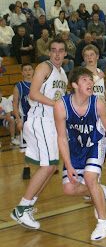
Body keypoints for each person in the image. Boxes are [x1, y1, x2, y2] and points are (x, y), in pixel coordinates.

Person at [54, 67, 106, 241]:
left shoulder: (98, 103)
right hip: (75, 147)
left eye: (90, 80)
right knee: (69, 188)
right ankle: (100, 191)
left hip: (96, 143)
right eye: (84, 80)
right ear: (74, 85)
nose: (90, 83)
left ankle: (104, 222)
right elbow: (61, 138)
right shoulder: (61, 106)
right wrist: (68, 165)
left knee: (91, 179)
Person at [10, 38, 68, 230]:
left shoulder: (63, 74)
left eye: (61, 51)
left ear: (65, 53)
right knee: (47, 167)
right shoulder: (45, 67)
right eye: (54, 50)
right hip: (40, 121)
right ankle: (21, 208)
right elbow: (33, 93)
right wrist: (57, 105)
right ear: (49, 52)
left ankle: (27, 206)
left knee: (51, 168)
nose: (57, 54)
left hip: (51, 123)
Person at [13, 63, 34, 179]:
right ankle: (26, 168)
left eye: (30, 69)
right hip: (26, 119)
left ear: (33, 71)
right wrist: (18, 120)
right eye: (25, 70)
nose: (28, 72)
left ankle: (45, 166)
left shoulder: (40, 84)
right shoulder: (19, 86)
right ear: (22, 72)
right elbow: (15, 105)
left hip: (39, 118)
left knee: (41, 143)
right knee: (26, 146)